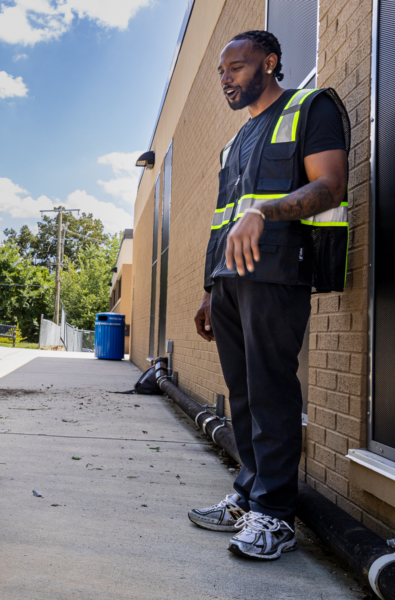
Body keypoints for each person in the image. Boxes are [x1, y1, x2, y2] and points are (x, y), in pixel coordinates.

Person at [190, 30, 350, 560]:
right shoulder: (236, 141)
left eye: (235, 68)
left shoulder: (311, 108)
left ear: (270, 63)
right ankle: (248, 496)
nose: (225, 79)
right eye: (220, 72)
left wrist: (265, 211)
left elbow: (329, 186)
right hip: (231, 282)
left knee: (271, 393)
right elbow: (222, 221)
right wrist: (211, 287)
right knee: (242, 394)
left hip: (278, 273)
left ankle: (275, 517)